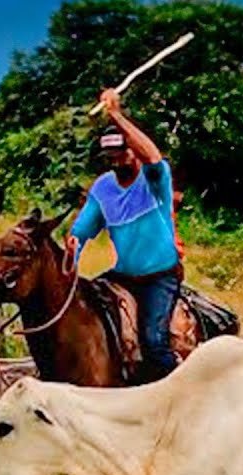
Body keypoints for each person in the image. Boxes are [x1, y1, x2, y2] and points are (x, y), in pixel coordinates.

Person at [66, 88, 184, 381]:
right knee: (88, 314)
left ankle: (181, 390)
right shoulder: (103, 187)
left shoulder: (154, 178)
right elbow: (82, 230)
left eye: (122, 154)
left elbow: (153, 156)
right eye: (111, 156)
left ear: (132, 150)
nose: (117, 161)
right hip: (124, 274)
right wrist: (72, 250)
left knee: (154, 343)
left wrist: (116, 115)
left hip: (159, 275)